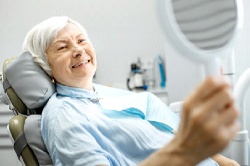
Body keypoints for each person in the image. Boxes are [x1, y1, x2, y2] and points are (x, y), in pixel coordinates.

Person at [23, 16, 240, 166]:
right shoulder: (64, 117)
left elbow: (167, 132)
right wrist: (186, 149)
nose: (78, 50)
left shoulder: (101, 94)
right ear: (45, 66)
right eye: (62, 47)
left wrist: (220, 159)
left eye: (81, 40)